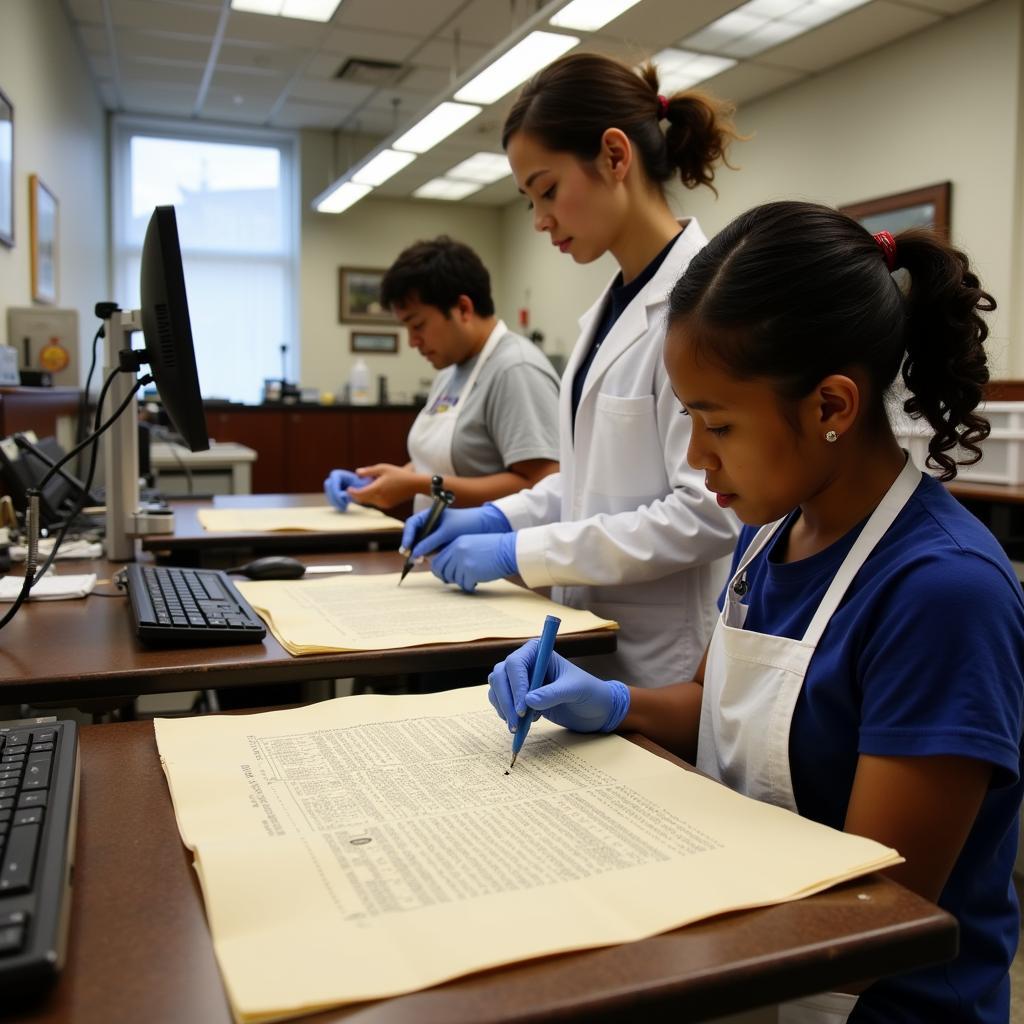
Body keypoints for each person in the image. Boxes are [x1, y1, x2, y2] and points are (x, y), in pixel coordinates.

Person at [488, 201, 1024, 1023]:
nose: (697, 459)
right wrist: (616, 704)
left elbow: (873, 914)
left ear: (832, 407)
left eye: (718, 424)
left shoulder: (941, 594)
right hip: (752, 957)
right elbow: (711, 704)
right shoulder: (771, 534)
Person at [402, 53, 742, 687]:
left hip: (661, 660)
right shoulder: (608, 311)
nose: (540, 220)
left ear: (615, 156)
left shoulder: (705, 306)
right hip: (588, 643)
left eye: (547, 190)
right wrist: (501, 518)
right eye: (530, 199)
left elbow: (706, 512)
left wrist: (518, 551)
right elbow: (589, 485)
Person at [324, 236, 559, 513]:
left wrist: (418, 485)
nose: (412, 341)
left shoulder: (515, 370)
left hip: (489, 552)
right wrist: (376, 482)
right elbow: (439, 466)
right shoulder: (451, 371)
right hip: (441, 548)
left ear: (463, 309)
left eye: (418, 325)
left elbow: (541, 485)